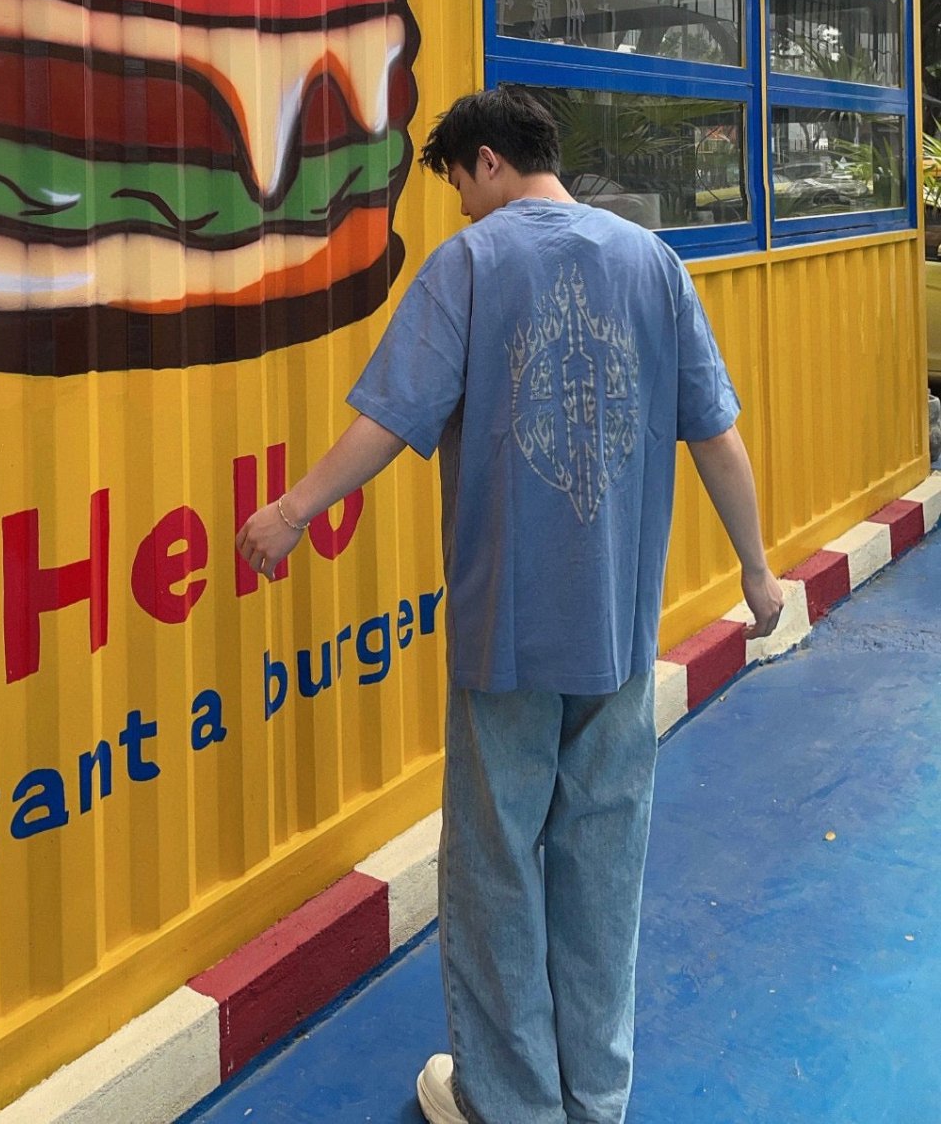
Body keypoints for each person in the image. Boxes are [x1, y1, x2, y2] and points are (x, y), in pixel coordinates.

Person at [236, 88, 784, 1124]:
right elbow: (714, 430)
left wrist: (294, 509)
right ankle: (597, 1096)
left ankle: (511, 1102)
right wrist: (755, 569)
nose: (463, 211)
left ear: (485, 162)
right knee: (603, 866)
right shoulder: (653, 264)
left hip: (505, 634)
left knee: (495, 873)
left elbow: (390, 420)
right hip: (617, 636)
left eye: (457, 188)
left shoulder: (472, 266)